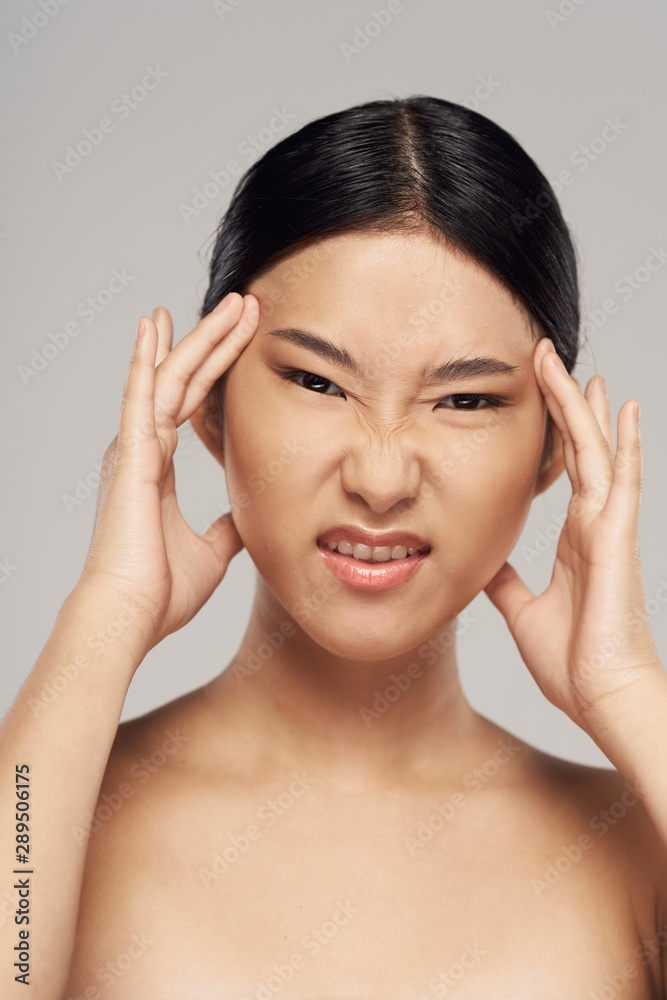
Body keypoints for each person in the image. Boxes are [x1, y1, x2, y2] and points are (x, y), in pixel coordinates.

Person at [2, 94, 666, 1000]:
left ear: (555, 447)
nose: (382, 478)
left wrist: (632, 697)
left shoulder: (631, 852)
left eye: (465, 399)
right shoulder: (51, 817)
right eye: (317, 380)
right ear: (206, 399)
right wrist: (105, 616)